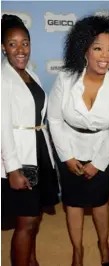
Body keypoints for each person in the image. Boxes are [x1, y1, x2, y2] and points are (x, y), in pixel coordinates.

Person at [48, 14, 109, 266]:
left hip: (103, 151)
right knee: (73, 203)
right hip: (69, 150)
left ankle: (103, 245)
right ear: (84, 50)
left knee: (99, 202)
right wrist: (67, 156)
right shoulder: (66, 79)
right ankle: (77, 251)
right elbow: (54, 119)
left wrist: (98, 162)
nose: (105, 56)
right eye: (98, 48)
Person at [1, 14, 59, 266]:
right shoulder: (3, 79)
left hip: (38, 152)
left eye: (25, 42)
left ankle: (32, 261)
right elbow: (2, 127)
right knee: (25, 222)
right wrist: (12, 168)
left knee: (33, 218)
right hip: (19, 157)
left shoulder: (30, 74)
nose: (20, 49)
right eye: (12, 44)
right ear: (3, 47)